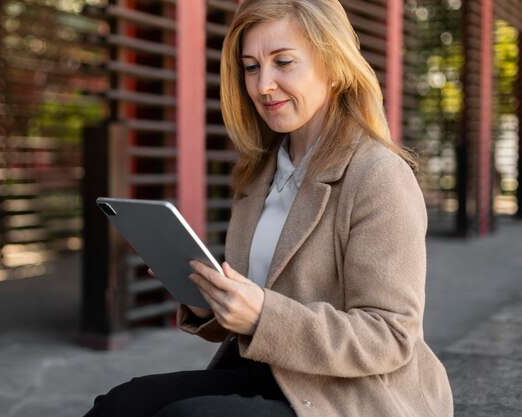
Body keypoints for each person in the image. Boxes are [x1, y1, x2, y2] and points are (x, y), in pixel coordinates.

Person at [83, 0, 453, 416]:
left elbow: (391, 336)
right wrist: (208, 301)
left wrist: (262, 315)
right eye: (252, 67)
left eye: (283, 62)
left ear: (333, 66)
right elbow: (259, 308)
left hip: (356, 395)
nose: (263, 85)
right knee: (121, 403)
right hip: (275, 374)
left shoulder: (378, 175)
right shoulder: (259, 175)